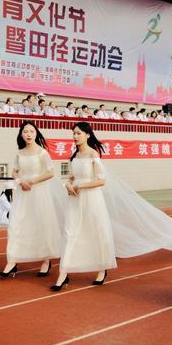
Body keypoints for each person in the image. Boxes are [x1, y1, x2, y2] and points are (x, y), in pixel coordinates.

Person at [52, 122, 115, 290]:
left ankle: (102, 269)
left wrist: (81, 186)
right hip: (74, 200)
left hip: (92, 199)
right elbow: (71, 178)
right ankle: (63, 274)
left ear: (87, 135)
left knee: (95, 232)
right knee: (70, 233)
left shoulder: (93, 154)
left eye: (78, 133)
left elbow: (101, 180)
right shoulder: (74, 156)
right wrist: (68, 185)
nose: (75, 136)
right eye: (73, 133)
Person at [0, 121, 61, 278]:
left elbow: (50, 173)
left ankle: (46, 261)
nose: (29, 134)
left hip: (38, 192)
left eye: (32, 131)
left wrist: (31, 182)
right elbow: (15, 171)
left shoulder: (42, 152)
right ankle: (12, 262)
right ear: (21, 134)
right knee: (17, 225)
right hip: (22, 193)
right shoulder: (20, 153)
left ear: (36, 133)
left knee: (41, 224)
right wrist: (20, 182)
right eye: (25, 131)